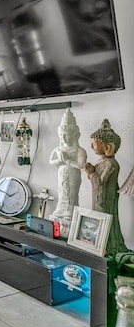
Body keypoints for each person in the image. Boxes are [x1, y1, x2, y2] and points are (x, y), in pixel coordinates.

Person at [84, 119, 128, 255]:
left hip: (106, 201)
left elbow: (101, 183)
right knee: (99, 224)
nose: (92, 147)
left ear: (107, 147)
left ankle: (111, 248)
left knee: (108, 224)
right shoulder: (102, 162)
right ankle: (101, 246)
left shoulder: (111, 164)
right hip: (98, 199)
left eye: (94, 144)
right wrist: (91, 172)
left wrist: (92, 173)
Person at [49, 109, 87, 230]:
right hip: (62, 173)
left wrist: (67, 160)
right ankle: (60, 211)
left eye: (66, 134)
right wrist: (60, 161)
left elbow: (80, 165)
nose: (63, 137)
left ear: (75, 135)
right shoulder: (58, 149)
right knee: (62, 192)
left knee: (71, 194)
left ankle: (70, 212)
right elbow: (51, 161)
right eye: (61, 134)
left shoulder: (80, 150)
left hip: (73, 174)